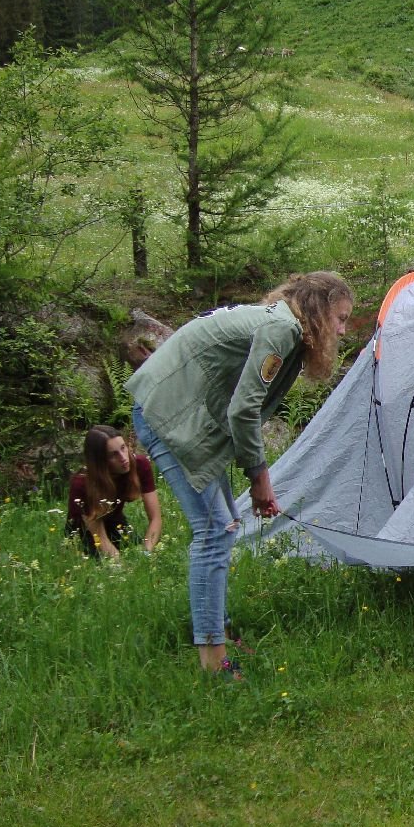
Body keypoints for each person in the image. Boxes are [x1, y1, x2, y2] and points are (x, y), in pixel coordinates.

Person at [126, 271, 354, 677]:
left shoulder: (282, 323)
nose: (342, 329)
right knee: (214, 531)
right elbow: (243, 410)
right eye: (339, 318)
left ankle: (219, 632)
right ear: (317, 311)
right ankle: (213, 663)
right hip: (166, 412)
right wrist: (259, 477)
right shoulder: (281, 329)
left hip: (187, 416)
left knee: (224, 526)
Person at [65, 425, 162, 559]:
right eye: (113, 454)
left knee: (136, 552)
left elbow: (156, 518)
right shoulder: (83, 483)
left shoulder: (140, 464)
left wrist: (146, 552)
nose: (123, 458)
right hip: (84, 531)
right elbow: (100, 538)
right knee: (104, 565)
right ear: (100, 461)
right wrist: (122, 567)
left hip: (115, 521)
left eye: (123, 448)